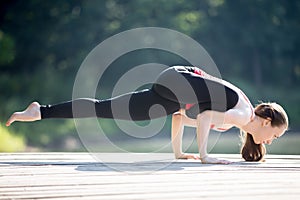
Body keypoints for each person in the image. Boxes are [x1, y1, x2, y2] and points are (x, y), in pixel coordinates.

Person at [6, 66, 288, 164]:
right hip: (180, 81)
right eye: (274, 134)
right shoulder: (242, 115)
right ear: (265, 122)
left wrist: (178, 153)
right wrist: (204, 155)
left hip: (174, 86)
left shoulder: (240, 113)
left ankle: (40, 111)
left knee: (104, 108)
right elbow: (202, 119)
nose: (270, 140)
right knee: (107, 109)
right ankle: (40, 111)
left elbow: (182, 116)